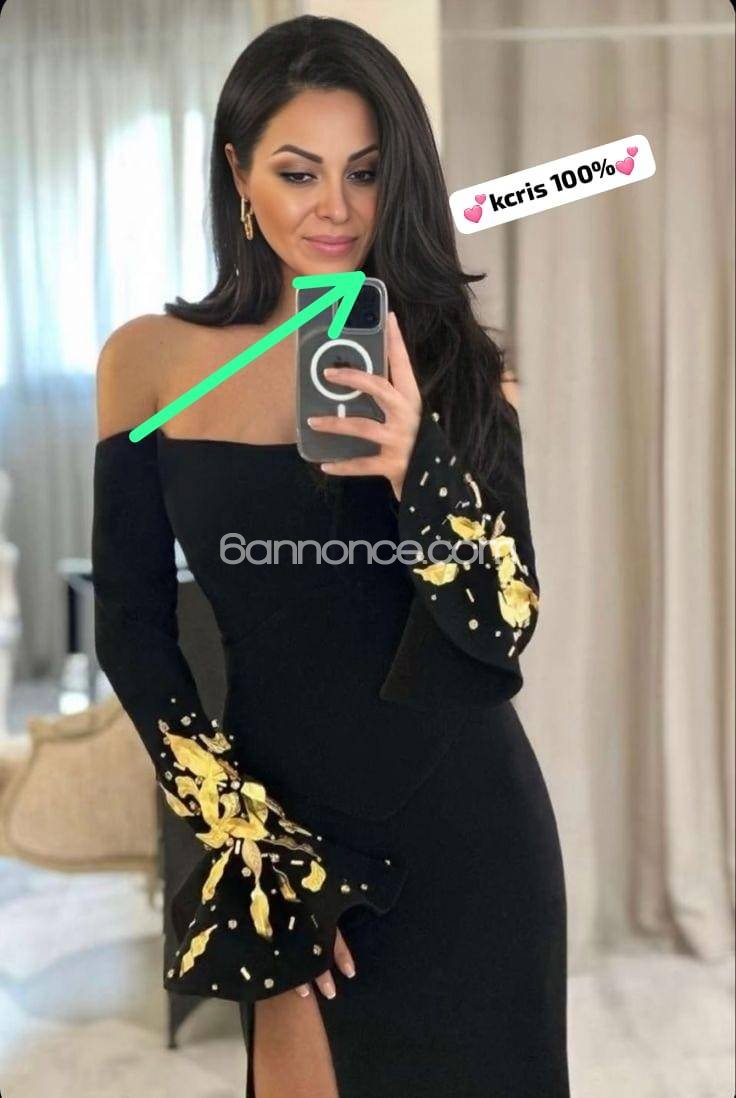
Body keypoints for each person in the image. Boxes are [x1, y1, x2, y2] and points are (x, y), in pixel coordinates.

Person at [91, 14, 569, 1098]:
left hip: (469, 833)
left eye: (366, 172)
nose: (336, 208)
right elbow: (132, 630)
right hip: (281, 830)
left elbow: (502, 624)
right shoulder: (150, 363)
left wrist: (416, 465)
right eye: (298, 172)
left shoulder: (458, 367)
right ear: (238, 175)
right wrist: (252, 845)